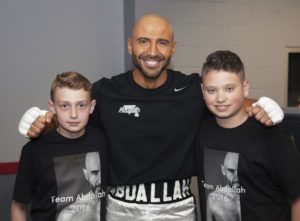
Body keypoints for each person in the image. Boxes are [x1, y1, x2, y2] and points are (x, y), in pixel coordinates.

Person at [17, 14, 283, 220]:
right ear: (130, 45)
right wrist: (44, 121)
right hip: (120, 209)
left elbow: (228, 101)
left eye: (162, 42)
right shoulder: (106, 91)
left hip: (178, 208)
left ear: (173, 49)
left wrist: (261, 105)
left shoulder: (192, 89)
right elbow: (72, 119)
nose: (153, 51)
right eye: (144, 41)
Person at [196, 50, 300, 221]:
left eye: (229, 88)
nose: (220, 98)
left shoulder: (270, 134)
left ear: (245, 88)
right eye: (212, 90)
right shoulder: (200, 130)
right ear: (202, 90)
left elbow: (297, 194)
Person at [11, 72, 107, 221]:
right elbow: (19, 205)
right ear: (53, 107)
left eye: (81, 105)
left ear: (92, 106)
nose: (73, 114)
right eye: (64, 106)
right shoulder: (34, 151)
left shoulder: (105, 140)